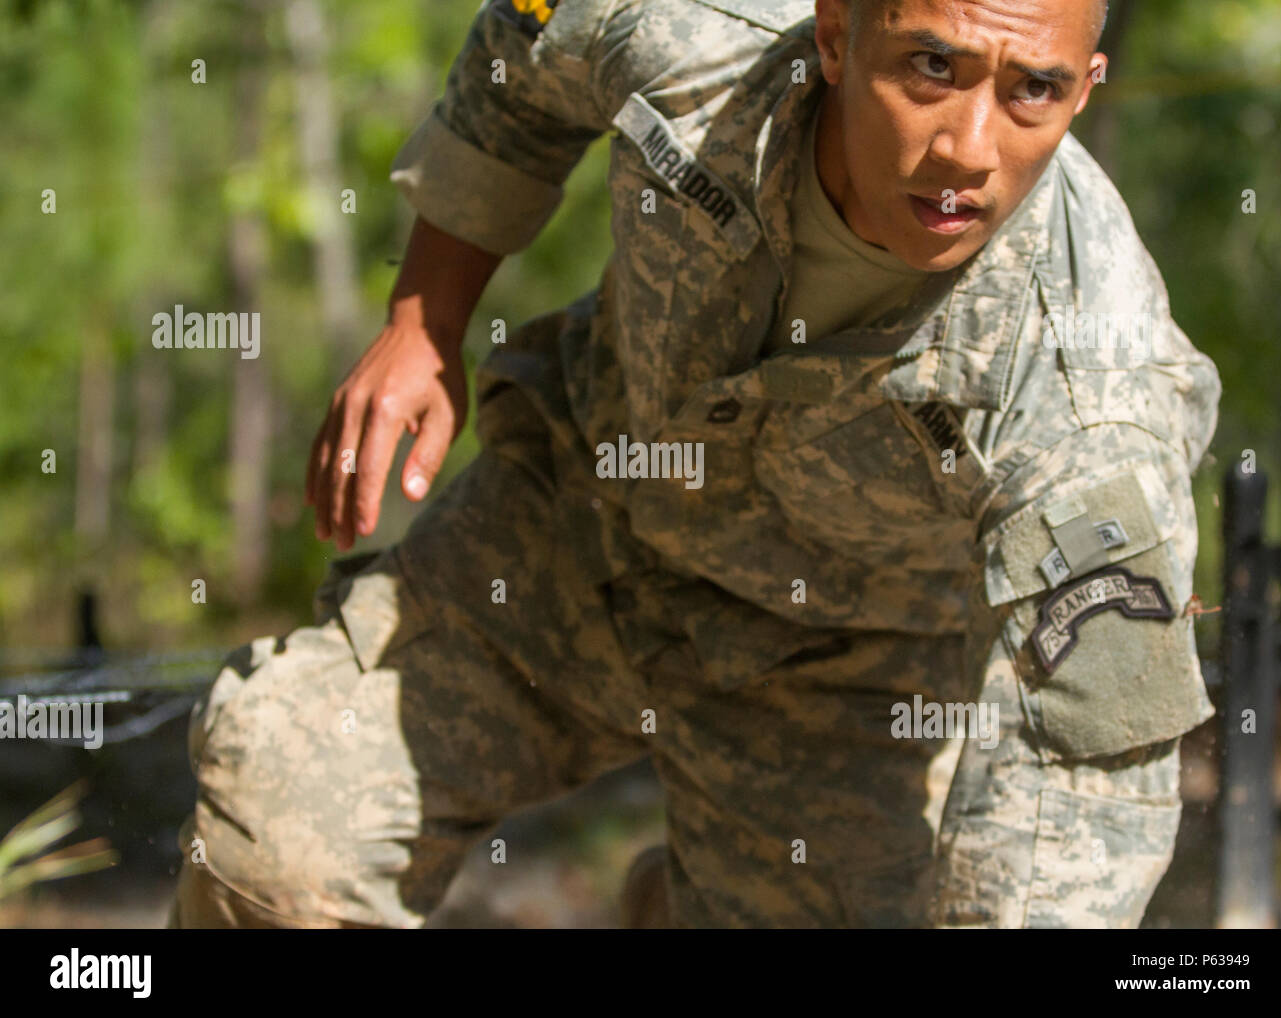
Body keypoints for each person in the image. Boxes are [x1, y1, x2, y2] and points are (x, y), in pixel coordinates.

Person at [169, 0, 1221, 928]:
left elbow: (1075, 788)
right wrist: (424, 315)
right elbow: (523, 55)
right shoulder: (691, 32)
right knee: (278, 851)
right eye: (930, 67)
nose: (966, 147)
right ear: (836, 32)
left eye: (1031, 89)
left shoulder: (1092, 384)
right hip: (568, 535)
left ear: (1084, 89)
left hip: (829, 674)